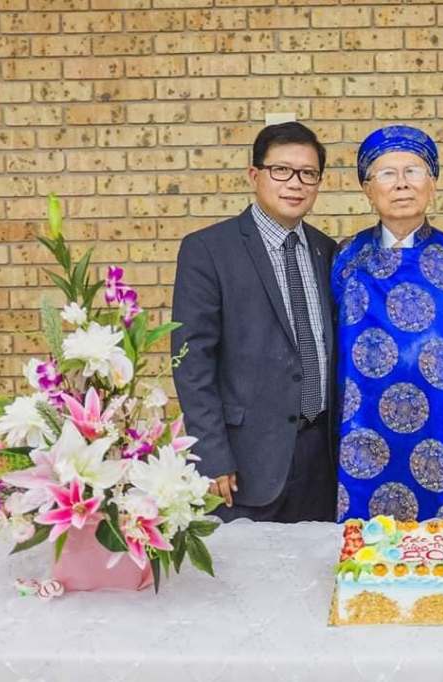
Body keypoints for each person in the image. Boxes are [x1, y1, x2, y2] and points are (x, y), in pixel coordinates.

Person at [332, 125, 443, 522]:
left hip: (439, 440)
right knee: (364, 547)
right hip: (360, 439)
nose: (401, 184)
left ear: (433, 184)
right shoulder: (346, 258)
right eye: (387, 173)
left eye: (413, 171)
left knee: (439, 549)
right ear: (367, 189)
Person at [172, 122, 337, 523]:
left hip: (321, 459)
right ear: (254, 175)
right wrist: (211, 455)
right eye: (281, 170)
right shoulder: (208, 250)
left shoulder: (327, 250)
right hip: (244, 462)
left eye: (308, 173)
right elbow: (192, 363)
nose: (295, 183)